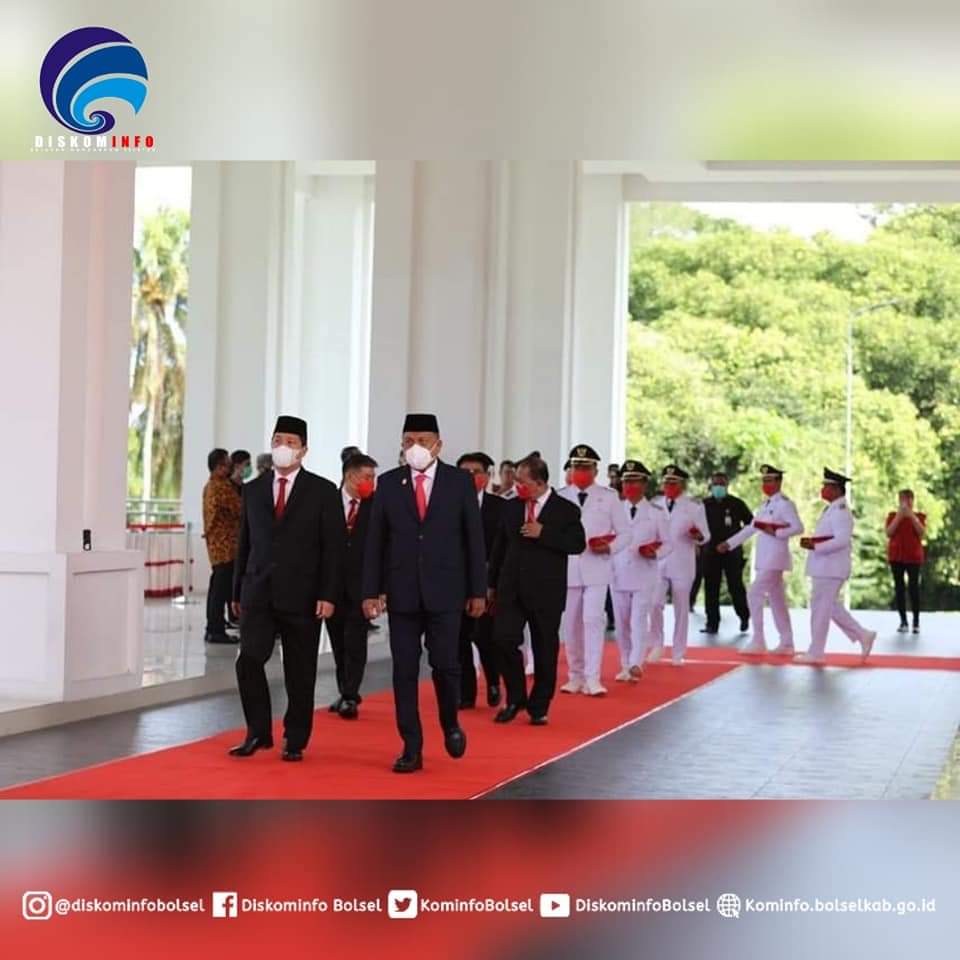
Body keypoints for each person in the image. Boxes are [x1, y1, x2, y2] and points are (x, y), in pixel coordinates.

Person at [361, 413, 487, 773]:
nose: (415, 447)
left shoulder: (459, 482)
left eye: (422, 440)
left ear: (438, 445)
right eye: (408, 441)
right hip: (402, 593)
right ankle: (411, 745)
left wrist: (478, 590)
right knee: (403, 669)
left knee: (445, 665)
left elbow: (474, 540)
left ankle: (450, 723)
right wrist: (371, 590)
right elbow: (376, 541)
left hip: (446, 591)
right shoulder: (389, 483)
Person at [229, 416, 344, 761]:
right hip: (259, 592)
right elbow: (244, 544)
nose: (283, 447)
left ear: (304, 450)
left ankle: (295, 739)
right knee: (248, 660)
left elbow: (334, 549)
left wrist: (329, 594)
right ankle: (258, 732)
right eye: (278, 440)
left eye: (291, 442)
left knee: (300, 672)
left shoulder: (323, 491)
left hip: (304, 595)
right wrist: (236, 591)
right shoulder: (253, 490)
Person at [488, 455, 586, 724]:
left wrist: (544, 533)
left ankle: (539, 705)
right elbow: (499, 547)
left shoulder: (565, 510)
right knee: (503, 639)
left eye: (522, 481)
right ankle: (516, 697)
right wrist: (491, 584)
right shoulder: (511, 507)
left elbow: (577, 544)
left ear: (540, 482)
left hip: (546, 591)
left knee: (544, 649)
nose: (517, 486)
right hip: (511, 588)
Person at [558, 444, 631, 695]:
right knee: (571, 625)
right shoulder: (560, 496)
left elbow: (625, 533)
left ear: (595, 470)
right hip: (569, 568)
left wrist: (609, 548)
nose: (581, 471)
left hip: (597, 567)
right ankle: (575, 676)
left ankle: (593, 678)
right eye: (577, 466)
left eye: (585, 467)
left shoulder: (608, 497)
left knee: (593, 621)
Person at [718, 464, 804, 655]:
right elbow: (751, 528)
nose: (765, 484)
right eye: (764, 480)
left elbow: (798, 527)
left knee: (754, 593)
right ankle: (787, 643)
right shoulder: (765, 505)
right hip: (765, 559)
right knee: (777, 602)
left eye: (769, 480)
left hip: (775, 558)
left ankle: (758, 640)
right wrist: (729, 543)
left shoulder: (785, 504)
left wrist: (776, 532)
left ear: (779, 482)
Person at [796, 468, 877, 664]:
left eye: (827, 486)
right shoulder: (833, 508)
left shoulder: (841, 511)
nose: (823, 490)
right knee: (830, 608)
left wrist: (816, 546)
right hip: (826, 567)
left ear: (837, 489)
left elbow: (841, 539)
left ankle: (816, 652)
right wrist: (814, 542)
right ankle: (863, 635)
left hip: (830, 569)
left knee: (820, 611)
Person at [326, 452, 378, 719]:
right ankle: (344, 691)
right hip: (332, 587)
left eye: (373, 477)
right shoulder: (328, 502)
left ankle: (350, 695)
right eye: (367, 477)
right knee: (338, 642)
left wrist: (379, 589)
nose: (371, 482)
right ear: (350, 475)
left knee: (355, 642)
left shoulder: (376, 506)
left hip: (362, 588)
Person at [610, 461, 671, 679]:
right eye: (626, 481)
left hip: (644, 572)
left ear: (644, 484)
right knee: (622, 623)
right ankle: (625, 663)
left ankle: (636, 663)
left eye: (634, 481)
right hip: (617, 572)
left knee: (638, 619)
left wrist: (655, 553)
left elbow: (668, 543)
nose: (629, 486)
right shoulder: (615, 509)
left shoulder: (656, 512)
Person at [456, 451, 505, 708]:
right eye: (464, 473)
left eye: (475, 472)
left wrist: (493, 581)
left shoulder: (499, 507)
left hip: (486, 583)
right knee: (460, 638)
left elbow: (503, 547)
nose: (470, 477)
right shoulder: (447, 504)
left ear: (486, 477)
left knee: (485, 637)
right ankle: (466, 693)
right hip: (456, 582)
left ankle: (493, 682)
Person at [649, 465, 710, 665]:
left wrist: (697, 536)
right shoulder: (655, 504)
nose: (669, 486)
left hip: (682, 562)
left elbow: (705, 535)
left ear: (681, 484)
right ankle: (657, 644)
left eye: (673, 482)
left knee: (681, 608)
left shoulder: (693, 506)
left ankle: (678, 651)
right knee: (654, 603)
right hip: (659, 561)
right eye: (666, 482)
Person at [699, 471, 753, 634]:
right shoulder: (703, 505)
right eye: (716, 484)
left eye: (721, 484)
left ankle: (744, 617)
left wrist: (734, 541)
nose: (718, 487)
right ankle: (712, 623)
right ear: (711, 486)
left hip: (732, 552)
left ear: (727, 485)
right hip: (710, 552)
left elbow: (751, 524)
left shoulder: (737, 504)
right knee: (711, 588)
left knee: (735, 586)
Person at [202, 448, 242, 644]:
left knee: (217, 588)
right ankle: (215, 630)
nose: (230, 468)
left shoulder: (210, 485)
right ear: (219, 467)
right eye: (227, 464)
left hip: (218, 547)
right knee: (220, 590)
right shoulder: (222, 488)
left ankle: (214, 626)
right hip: (225, 547)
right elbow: (240, 508)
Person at [886, 489, 926, 634]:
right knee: (899, 588)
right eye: (902, 499)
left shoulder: (919, 516)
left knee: (914, 588)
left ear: (912, 501)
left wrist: (911, 516)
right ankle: (903, 621)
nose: (904, 502)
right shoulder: (892, 516)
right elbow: (889, 532)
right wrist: (899, 516)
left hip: (913, 557)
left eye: (907, 499)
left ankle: (916, 622)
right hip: (896, 557)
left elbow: (921, 533)